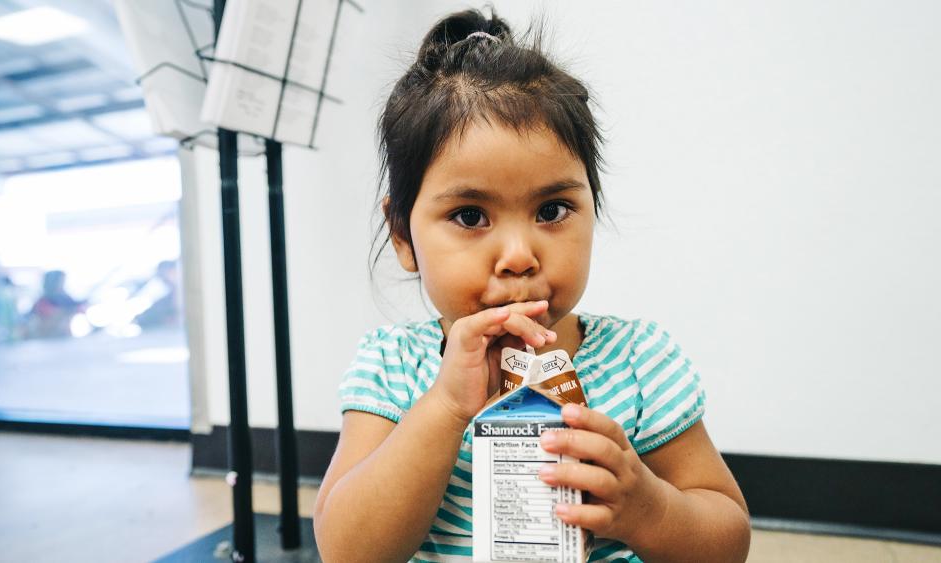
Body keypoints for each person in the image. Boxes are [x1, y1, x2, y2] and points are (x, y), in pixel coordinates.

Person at [314, 9, 750, 562]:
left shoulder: (640, 362)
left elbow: (728, 540)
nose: (519, 256)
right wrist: (446, 408)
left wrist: (650, 509)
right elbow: (346, 552)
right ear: (403, 236)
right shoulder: (392, 371)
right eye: (471, 216)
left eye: (552, 209)